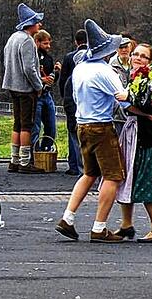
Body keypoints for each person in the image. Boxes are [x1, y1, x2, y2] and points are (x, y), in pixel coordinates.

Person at [54, 19, 128, 243]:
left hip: (82, 124)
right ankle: (99, 226)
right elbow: (124, 100)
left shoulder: (80, 68)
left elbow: (75, 97)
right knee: (113, 176)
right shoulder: (105, 72)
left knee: (89, 173)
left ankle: (68, 217)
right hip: (101, 126)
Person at [112, 43, 152, 244]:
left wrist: (132, 103)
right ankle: (126, 224)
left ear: (150, 60)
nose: (137, 58)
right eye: (136, 54)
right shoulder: (131, 75)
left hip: (148, 137)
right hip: (133, 133)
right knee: (126, 178)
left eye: (143, 56)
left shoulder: (150, 78)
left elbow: (148, 104)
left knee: (147, 182)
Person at [2, 3, 45, 174]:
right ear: (31, 23)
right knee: (27, 125)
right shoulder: (27, 41)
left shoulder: (13, 38)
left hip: (12, 85)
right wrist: (38, 85)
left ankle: (14, 160)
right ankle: (25, 162)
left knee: (17, 123)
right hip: (25, 88)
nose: (39, 25)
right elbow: (29, 68)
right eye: (37, 22)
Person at [58, 29, 87, 176]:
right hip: (86, 103)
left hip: (71, 101)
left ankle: (74, 165)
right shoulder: (94, 57)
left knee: (73, 134)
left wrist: (64, 97)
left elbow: (63, 81)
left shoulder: (69, 57)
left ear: (76, 42)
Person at [31, 29, 60, 152]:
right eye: (45, 44)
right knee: (35, 127)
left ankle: (46, 148)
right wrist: (42, 79)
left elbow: (52, 81)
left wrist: (57, 72)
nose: (48, 46)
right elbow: (30, 74)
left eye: (49, 43)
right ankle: (34, 152)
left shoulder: (49, 58)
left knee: (51, 126)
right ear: (37, 42)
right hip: (36, 95)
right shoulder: (32, 56)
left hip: (47, 94)